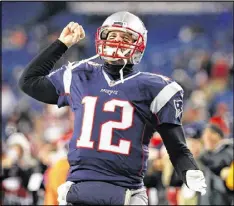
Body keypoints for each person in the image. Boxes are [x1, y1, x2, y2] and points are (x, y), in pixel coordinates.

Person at [19, 11, 207, 205]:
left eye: (125, 37)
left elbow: (176, 145)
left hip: (127, 191)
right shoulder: (81, 74)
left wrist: (188, 170)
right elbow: (28, 82)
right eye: (112, 35)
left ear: (138, 45)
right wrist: (61, 44)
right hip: (79, 188)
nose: (117, 40)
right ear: (102, 39)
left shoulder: (155, 88)